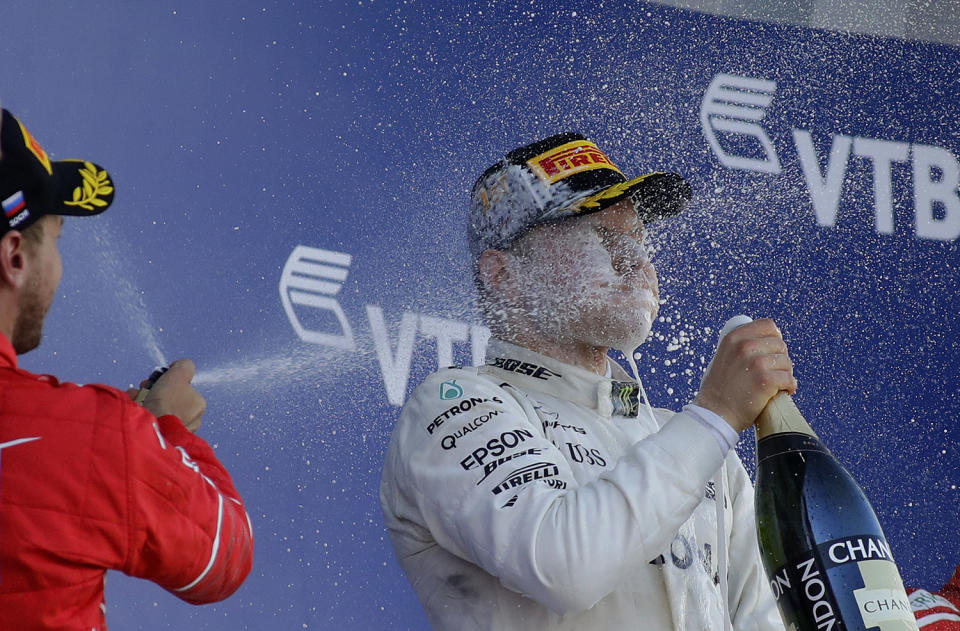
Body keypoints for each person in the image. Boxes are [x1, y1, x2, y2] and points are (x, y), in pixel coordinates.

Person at [380, 132, 794, 629]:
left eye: (638, 239)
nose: (635, 261)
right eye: (598, 237)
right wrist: (715, 415)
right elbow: (565, 567)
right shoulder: (455, 405)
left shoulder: (703, 452)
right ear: (502, 274)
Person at [0, 108, 253, 630]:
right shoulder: (98, 441)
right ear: (16, 257)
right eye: (56, 239)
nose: (60, 266)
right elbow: (226, 557)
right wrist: (166, 430)